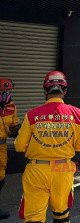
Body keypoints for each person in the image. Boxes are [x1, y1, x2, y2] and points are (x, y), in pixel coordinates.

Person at [14, 71, 80, 223]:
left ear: (44, 90)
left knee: (33, 217)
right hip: (63, 169)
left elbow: (20, 146)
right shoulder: (77, 114)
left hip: (36, 170)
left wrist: (36, 149)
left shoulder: (32, 115)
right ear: (65, 91)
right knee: (61, 214)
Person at [0, 78, 20, 219]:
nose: (5, 93)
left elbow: (14, 124)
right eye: (2, 91)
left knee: (1, 177)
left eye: (8, 91)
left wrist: (16, 130)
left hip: (2, 146)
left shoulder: (12, 107)